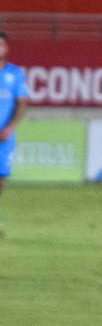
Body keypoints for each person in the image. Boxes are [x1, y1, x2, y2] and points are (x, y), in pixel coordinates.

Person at [0, 32, 30, 238]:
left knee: (1, 179)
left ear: (6, 47)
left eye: (1, 44)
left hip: (4, 136)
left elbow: (21, 104)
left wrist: (10, 127)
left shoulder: (15, 74)